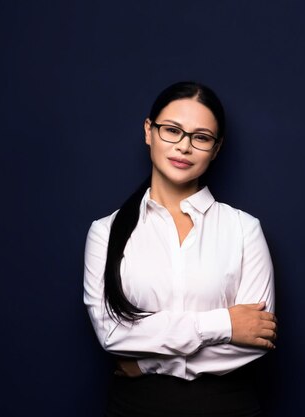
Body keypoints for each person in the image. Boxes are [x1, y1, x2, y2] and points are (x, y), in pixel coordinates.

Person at [83, 81, 277, 416]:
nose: (184, 147)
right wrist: (224, 325)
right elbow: (112, 334)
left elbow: (255, 341)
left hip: (226, 407)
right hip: (135, 408)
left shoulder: (243, 229)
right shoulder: (106, 232)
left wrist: (146, 363)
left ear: (216, 149)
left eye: (200, 137)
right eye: (172, 130)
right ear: (149, 131)